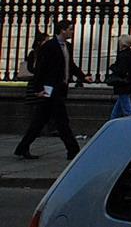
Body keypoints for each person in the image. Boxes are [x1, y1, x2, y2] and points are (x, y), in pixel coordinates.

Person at [15, 19, 85, 160]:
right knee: (62, 120)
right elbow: (40, 69)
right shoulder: (49, 46)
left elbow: (70, 65)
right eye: (70, 29)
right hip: (49, 88)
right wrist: (38, 89)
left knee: (40, 120)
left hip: (60, 87)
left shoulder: (67, 46)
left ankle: (22, 147)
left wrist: (83, 76)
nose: (72, 32)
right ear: (63, 30)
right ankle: (73, 150)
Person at [108, 35, 131, 119]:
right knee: (118, 110)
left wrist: (112, 67)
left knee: (128, 110)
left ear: (122, 44)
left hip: (123, 84)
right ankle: (112, 121)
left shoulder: (123, 55)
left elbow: (121, 70)